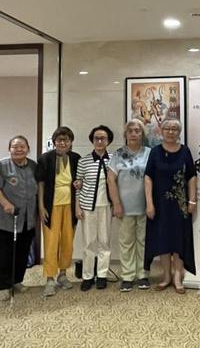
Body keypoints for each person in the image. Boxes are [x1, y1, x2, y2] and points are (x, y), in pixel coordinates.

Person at [144, 118, 197, 294]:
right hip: (160, 205)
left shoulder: (185, 151)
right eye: (167, 128)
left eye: (174, 129)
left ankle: (177, 277)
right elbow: (148, 177)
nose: (171, 131)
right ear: (162, 130)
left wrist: (192, 200)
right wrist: (149, 203)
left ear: (179, 132)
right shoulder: (155, 152)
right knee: (163, 240)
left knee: (179, 240)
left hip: (180, 205)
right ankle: (166, 276)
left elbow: (191, 177)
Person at [0, 135, 37, 301]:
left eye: (22, 146)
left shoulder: (33, 166)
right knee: (4, 253)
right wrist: (6, 204)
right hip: (7, 217)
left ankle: (17, 280)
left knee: (22, 252)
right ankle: (3, 286)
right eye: (15, 147)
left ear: (28, 149)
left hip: (27, 218)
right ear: (9, 149)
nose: (18, 149)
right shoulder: (2, 165)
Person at [107, 119, 152, 292]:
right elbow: (111, 180)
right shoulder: (118, 154)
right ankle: (127, 276)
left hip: (145, 205)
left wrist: (151, 203)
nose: (134, 134)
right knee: (126, 242)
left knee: (143, 241)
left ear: (142, 134)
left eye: (137, 131)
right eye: (130, 131)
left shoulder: (149, 153)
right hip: (124, 206)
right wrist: (116, 203)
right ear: (125, 134)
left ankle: (142, 275)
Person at [36, 126, 80, 297]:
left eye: (66, 140)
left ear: (70, 142)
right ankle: (49, 278)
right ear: (54, 142)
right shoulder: (45, 158)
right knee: (51, 242)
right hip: (50, 205)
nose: (62, 143)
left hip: (70, 205)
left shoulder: (76, 158)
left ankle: (63, 274)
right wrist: (41, 206)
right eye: (59, 140)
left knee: (68, 241)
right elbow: (40, 183)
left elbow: (79, 181)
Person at [75, 124, 114, 291]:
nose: (99, 141)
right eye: (96, 138)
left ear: (108, 141)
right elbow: (77, 185)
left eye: (103, 138)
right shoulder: (83, 161)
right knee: (89, 243)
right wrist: (77, 207)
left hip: (107, 206)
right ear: (92, 140)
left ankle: (102, 275)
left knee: (104, 242)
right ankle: (88, 276)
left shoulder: (114, 159)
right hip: (87, 206)